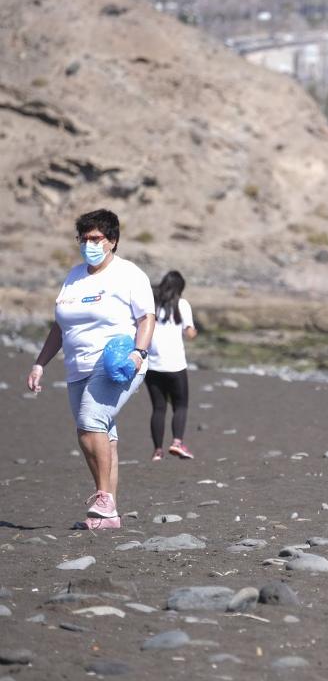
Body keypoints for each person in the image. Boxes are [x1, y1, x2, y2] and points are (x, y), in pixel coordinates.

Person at [26, 209, 155, 529]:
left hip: (117, 362)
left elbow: (147, 318)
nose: (88, 244)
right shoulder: (74, 277)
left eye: (95, 238)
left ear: (112, 241)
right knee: (104, 434)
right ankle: (109, 515)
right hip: (77, 366)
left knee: (89, 423)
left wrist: (140, 352)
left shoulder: (129, 274)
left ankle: (103, 497)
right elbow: (59, 327)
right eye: (83, 239)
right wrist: (40, 363)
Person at [146, 271, 197, 461]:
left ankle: (157, 451)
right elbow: (189, 333)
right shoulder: (182, 305)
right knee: (181, 405)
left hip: (152, 365)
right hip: (175, 364)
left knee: (158, 408)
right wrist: (193, 330)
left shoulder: (151, 304)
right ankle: (177, 442)